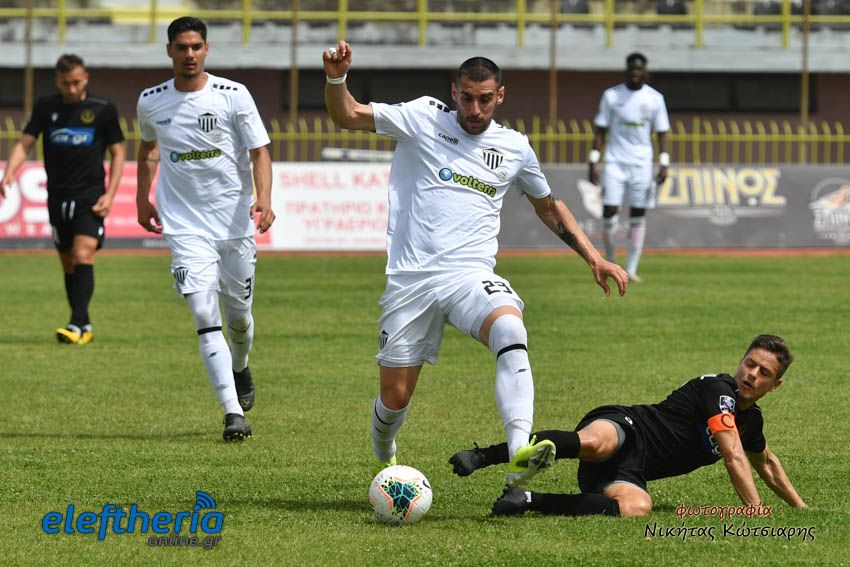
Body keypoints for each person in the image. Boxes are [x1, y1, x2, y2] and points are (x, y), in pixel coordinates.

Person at [323, 41, 629, 487]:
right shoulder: (423, 117)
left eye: (485, 99)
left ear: (500, 96)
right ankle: (384, 450)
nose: (474, 109)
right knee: (395, 398)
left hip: (470, 276)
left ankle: (520, 453)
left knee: (511, 330)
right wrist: (336, 78)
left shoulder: (514, 147)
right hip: (411, 281)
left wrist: (594, 257)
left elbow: (548, 206)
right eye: (466, 97)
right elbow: (347, 115)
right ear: (454, 91)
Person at [450, 334, 808, 517]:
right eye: (749, 363)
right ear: (740, 361)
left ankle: (525, 499)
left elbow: (767, 463)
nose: (751, 374)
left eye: (763, 372)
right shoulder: (719, 390)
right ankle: (482, 457)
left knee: (637, 507)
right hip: (630, 427)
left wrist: (800, 508)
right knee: (596, 444)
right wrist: (755, 510)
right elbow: (733, 455)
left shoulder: (751, 421)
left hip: (630, 471)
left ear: (774, 385)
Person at [136, 16, 275, 442]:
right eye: (182, 47)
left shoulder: (234, 95)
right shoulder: (151, 101)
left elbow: (259, 151)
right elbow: (147, 148)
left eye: (196, 46)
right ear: (170, 51)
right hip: (184, 226)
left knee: (239, 318)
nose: (189, 54)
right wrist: (143, 197)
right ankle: (233, 412)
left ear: (207, 49)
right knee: (202, 312)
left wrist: (264, 198)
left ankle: (240, 365)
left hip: (233, 226)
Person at [1, 54, 125, 344]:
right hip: (57, 196)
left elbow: (118, 153)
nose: (72, 88)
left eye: (77, 82)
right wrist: (9, 173)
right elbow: (25, 143)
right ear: (57, 81)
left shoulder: (103, 109)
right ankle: (84, 325)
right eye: (66, 83)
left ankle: (75, 323)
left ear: (86, 78)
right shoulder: (47, 107)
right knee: (68, 262)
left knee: (83, 254)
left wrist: (110, 194)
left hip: (90, 196)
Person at [589, 52, 670, 283]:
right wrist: (593, 160)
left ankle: (632, 268)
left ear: (645, 72)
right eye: (632, 68)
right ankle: (610, 261)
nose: (635, 72)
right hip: (615, 162)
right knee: (609, 212)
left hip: (642, 164)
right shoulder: (612, 96)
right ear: (626, 70)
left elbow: (662, 132)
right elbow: (600, 130)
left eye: (639, 68)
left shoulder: (655, 98)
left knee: (638, 214)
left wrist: (664, 162)